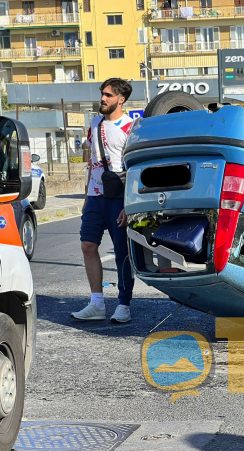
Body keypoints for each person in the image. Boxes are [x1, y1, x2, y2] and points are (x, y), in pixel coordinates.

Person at [71, 78, 135, 324]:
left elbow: (135, 168)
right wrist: (87, 196)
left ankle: (124, 304)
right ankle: (97, 303)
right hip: (96, 197)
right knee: (87, 245)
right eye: (102, 94)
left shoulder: (131, 127)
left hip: (119, 198)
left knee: (122, 253)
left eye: (108, 95)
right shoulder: (95, 123)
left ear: (121, 99)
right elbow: (91, 164)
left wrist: (130, 205)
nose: (103, 99)